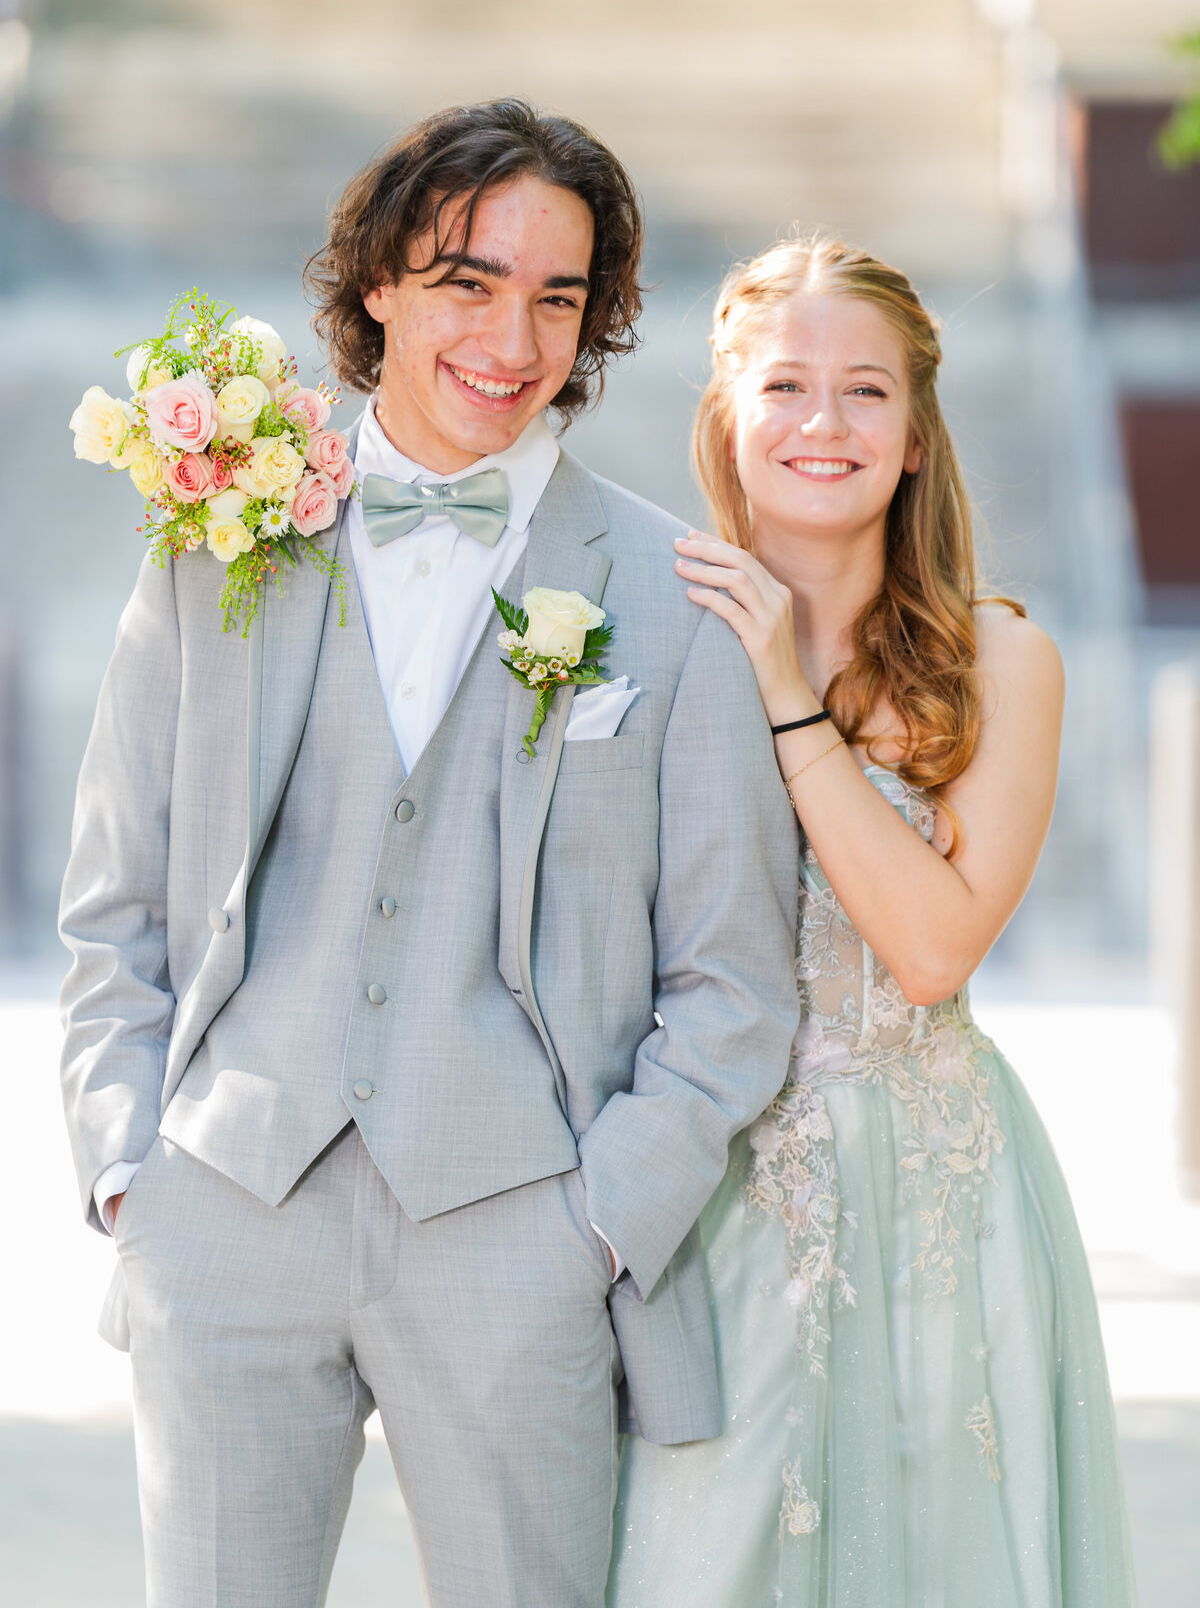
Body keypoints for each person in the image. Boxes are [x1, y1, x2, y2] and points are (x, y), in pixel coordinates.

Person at [58, 99, 801, 1608]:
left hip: (520, 1238)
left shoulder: (678, 601)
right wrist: (133, 1171)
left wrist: (596, 1224)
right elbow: (116, 896)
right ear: (381, 281)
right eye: (469, 281)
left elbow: (732, 981)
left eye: (558, 298)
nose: (513, 340)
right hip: (226, 1211)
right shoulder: (220, 537)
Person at [607, 234, 1138, 1608]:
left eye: (867, 392)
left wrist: (787, 693)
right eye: (785, 386)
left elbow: (933, 947)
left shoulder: (1003, 661)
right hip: (701, 1196)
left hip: (937, 1203)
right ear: (727, 416)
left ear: (915, 439)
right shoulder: (636, 635)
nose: (823, 424)